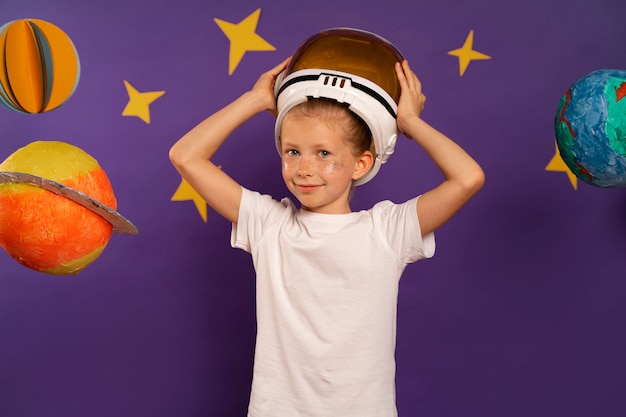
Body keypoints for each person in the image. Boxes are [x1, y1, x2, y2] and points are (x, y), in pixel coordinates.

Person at [169, 57, 484, 417]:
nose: (304, 168)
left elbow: (467, 178)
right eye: (292, 152)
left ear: (361, 164)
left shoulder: (387, 231)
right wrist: (256, 99)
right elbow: (185, 156)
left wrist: (409, 120)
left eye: (323, 154)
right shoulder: (269, 224)